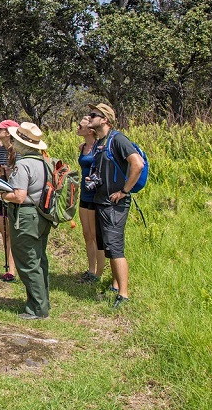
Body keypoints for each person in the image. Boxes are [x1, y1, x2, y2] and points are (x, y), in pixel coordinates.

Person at [86, 103, 145, 310]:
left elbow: (137, 164)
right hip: (102, 201)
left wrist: (125, 191)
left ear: (105, 119)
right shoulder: (101, 141)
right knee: (109, 247)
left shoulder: (118, 139)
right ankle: (114, 286)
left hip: (115, 204)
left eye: (94, 115)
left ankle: (124, 295)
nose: (89, 117)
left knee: (116, 248)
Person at [1, 122, 53, 320]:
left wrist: (0, 192)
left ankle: (37, 309)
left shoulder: (23, 165)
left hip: (25, 216)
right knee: (40, 259)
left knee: (27, 261)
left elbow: (19, 196)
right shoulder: (44, 162)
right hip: (41, 215)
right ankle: (42, 301)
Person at [0, 119, 19, 282]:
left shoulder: (19, 151)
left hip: (13, 197)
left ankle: (12, 270)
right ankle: (9, 268)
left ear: (8, 133)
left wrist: (5, 171)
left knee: (12, 234)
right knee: (5, 233)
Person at [75, 116, 103, 283]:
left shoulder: (99, 147)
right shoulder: (83, 147)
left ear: (90, 130)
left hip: (95, 195)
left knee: (95, 234)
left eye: (80, 125)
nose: (77, 127)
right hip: (84, 193)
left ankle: (99, 273)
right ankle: (91, 269)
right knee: (86, 234)